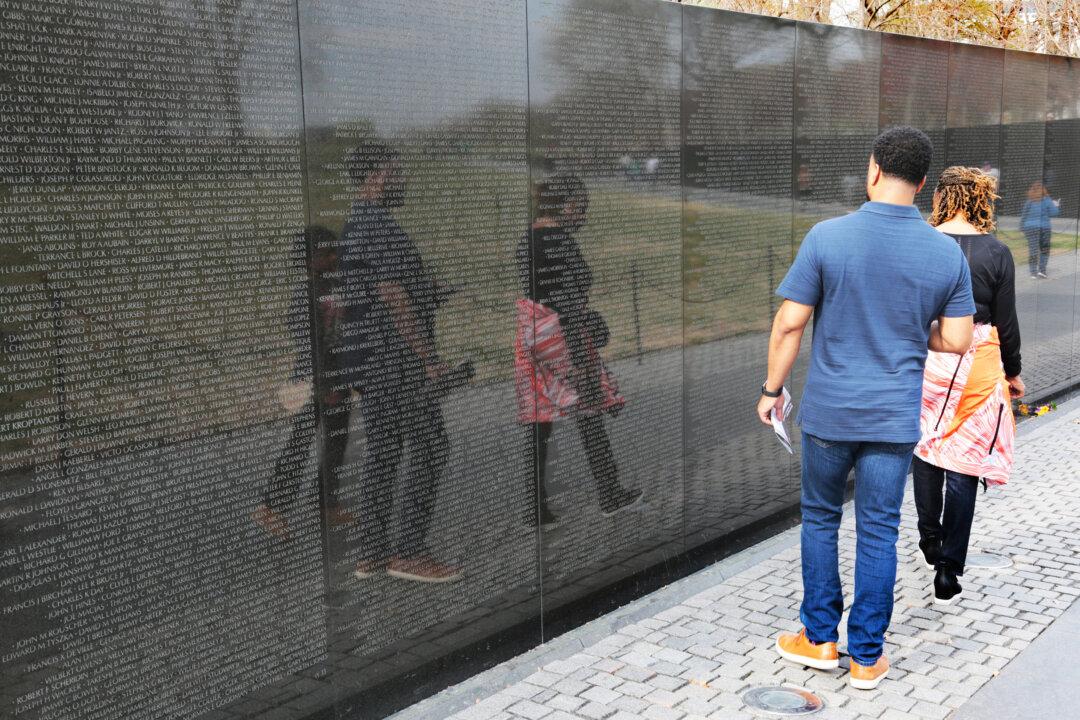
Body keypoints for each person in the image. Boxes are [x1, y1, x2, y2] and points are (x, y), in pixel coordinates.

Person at [758, 127, 975, 690]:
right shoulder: (945, 252)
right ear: (924, 182)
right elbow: (955, 340)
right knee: (879, 530)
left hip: (830, 415)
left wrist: (771, 390)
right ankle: (866, 658)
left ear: (873, 169)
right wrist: (910, 331)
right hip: (893, 420)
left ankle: (819, 639)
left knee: (822, 518)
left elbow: (789, 322)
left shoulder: (827, 237)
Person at [342, 141, 461, 583]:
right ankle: (409, 551)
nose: (403, 177)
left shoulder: (357, 223)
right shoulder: (379, 226)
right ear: (376, 175)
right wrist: (429, 359)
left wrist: (426, 290)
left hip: (372, 362)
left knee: (385, 453)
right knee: (431, 446)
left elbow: (383, 288)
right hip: (398, 363)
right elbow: (393, 297)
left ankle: (371, 554)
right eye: (397, 169)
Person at [916, 166, 1024, 605]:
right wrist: (1012, 372)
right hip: (977, 361)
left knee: (927, 445)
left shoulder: (922, 243)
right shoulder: (996, 252)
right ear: (981, 199)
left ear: (941, 197)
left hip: (930, 355)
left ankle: (930, 538)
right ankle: (949, 566)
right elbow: (1007, 322)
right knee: (964, 461)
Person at [515, 174, 642, 528]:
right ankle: (610, 493)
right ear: (568, 205)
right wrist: (583, 360)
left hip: (533, 333)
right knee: (589, 410)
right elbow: (569, 302)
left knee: (540, 421)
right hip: (562, 335)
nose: (583, 216)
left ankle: (535, 507)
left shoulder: (529, 238)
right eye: (581, 208)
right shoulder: (559, 240)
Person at [253, 226, 355, 540]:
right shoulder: (305, 294)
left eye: (335, 250)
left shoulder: (336, 285)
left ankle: (327, 501)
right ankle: (270, 507)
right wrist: (323, 383)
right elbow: (307, 341)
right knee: (300, 444)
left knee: (337, 441)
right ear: (309, 260)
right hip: (314, 379)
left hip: (338, 374)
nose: (334, 257)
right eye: (326, 253)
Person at [1020, 181, 1059, 278]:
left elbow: (1024, 214)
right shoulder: (1047, 200)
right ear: (1043, 190)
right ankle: (1042, 270)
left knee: (1033, 250)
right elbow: (1054, 213)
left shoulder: (1030, 201)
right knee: (1044, 249)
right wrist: (1056, 205)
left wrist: (1021, 227)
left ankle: (1033, 272)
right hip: (1044, 228)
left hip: (1029, 228)